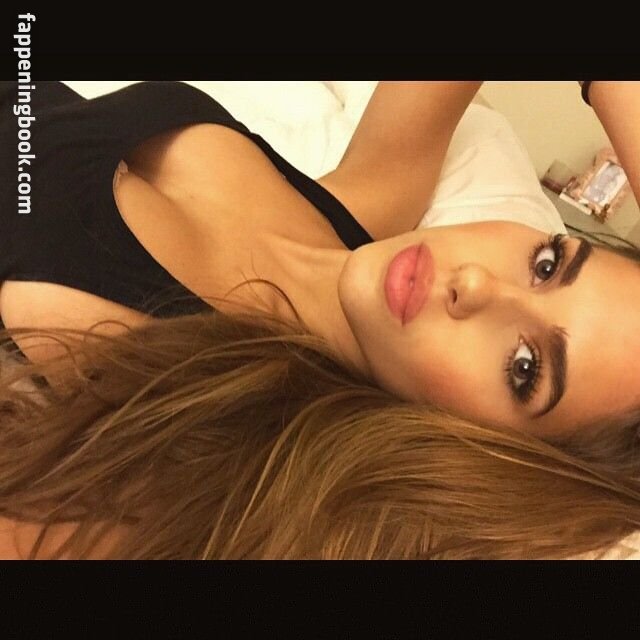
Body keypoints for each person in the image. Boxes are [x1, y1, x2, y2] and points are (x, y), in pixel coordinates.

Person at [0, 80, 639, 559]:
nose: (474, 284)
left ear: (497, 461)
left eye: (524, 368)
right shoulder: (374, 196)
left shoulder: (192, 442)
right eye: (548, 264)